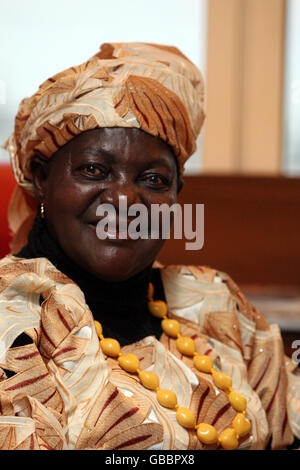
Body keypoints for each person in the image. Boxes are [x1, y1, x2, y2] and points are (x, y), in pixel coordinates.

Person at [0, 42, 299, 450]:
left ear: (177, 194)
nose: (125, 199)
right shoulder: (13, 317)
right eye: (93, 170)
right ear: (41, 179)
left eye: (153, 180)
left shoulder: (212, 300)